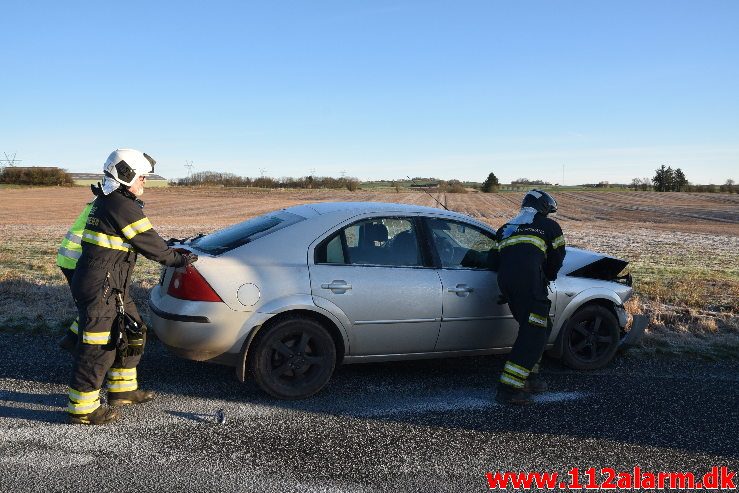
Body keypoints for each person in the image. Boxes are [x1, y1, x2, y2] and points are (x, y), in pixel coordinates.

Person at [67, 149, 197, 425]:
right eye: (142, 177)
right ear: (126, 176)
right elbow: (152, 246)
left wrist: (169, 246)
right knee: (98, 347)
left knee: (133, 330)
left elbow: (141, 239)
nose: (144, 183)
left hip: (110, 285)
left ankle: (122, 390)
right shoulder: (121, 205)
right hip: (102, 287)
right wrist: (180, 258)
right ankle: (83, 409)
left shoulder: (109, 201)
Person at [494, 189, 566, 405]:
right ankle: (509, 389)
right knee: (533, 334)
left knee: (541, 327)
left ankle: (530, 376)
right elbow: (557, 257)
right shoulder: (550, 226)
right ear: (544, 207)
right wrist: (548, 276)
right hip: (530, 286)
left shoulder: (505, 228)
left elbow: (497, 258)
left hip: (508, 286)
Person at [57, 190, 98, 351]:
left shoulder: (99, 200)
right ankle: (83, 349)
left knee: (88, 306)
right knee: (92, 307)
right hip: (76, 259)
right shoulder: (107, 203)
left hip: (69, 258)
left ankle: (71, 340)